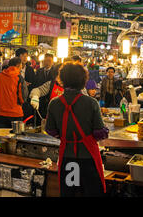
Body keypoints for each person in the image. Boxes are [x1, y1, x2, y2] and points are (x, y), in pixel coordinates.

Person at [45, 62, 108, 197]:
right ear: (83, 80)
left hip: (68, 158)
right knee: (92, 193)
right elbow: (99, 132)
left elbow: (50, 130)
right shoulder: (91, 103)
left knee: (69, 193)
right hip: (88, 159)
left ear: (62, 79)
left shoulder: (54, 103)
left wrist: (65, 135)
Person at [0, 57, 27, 128]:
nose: (21, 68)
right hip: (15, 114)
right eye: (21, 66)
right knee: (14, 137)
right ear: (17, 65)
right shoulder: (19, 78)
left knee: (1, 137)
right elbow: (23, 98)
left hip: (0, 113)